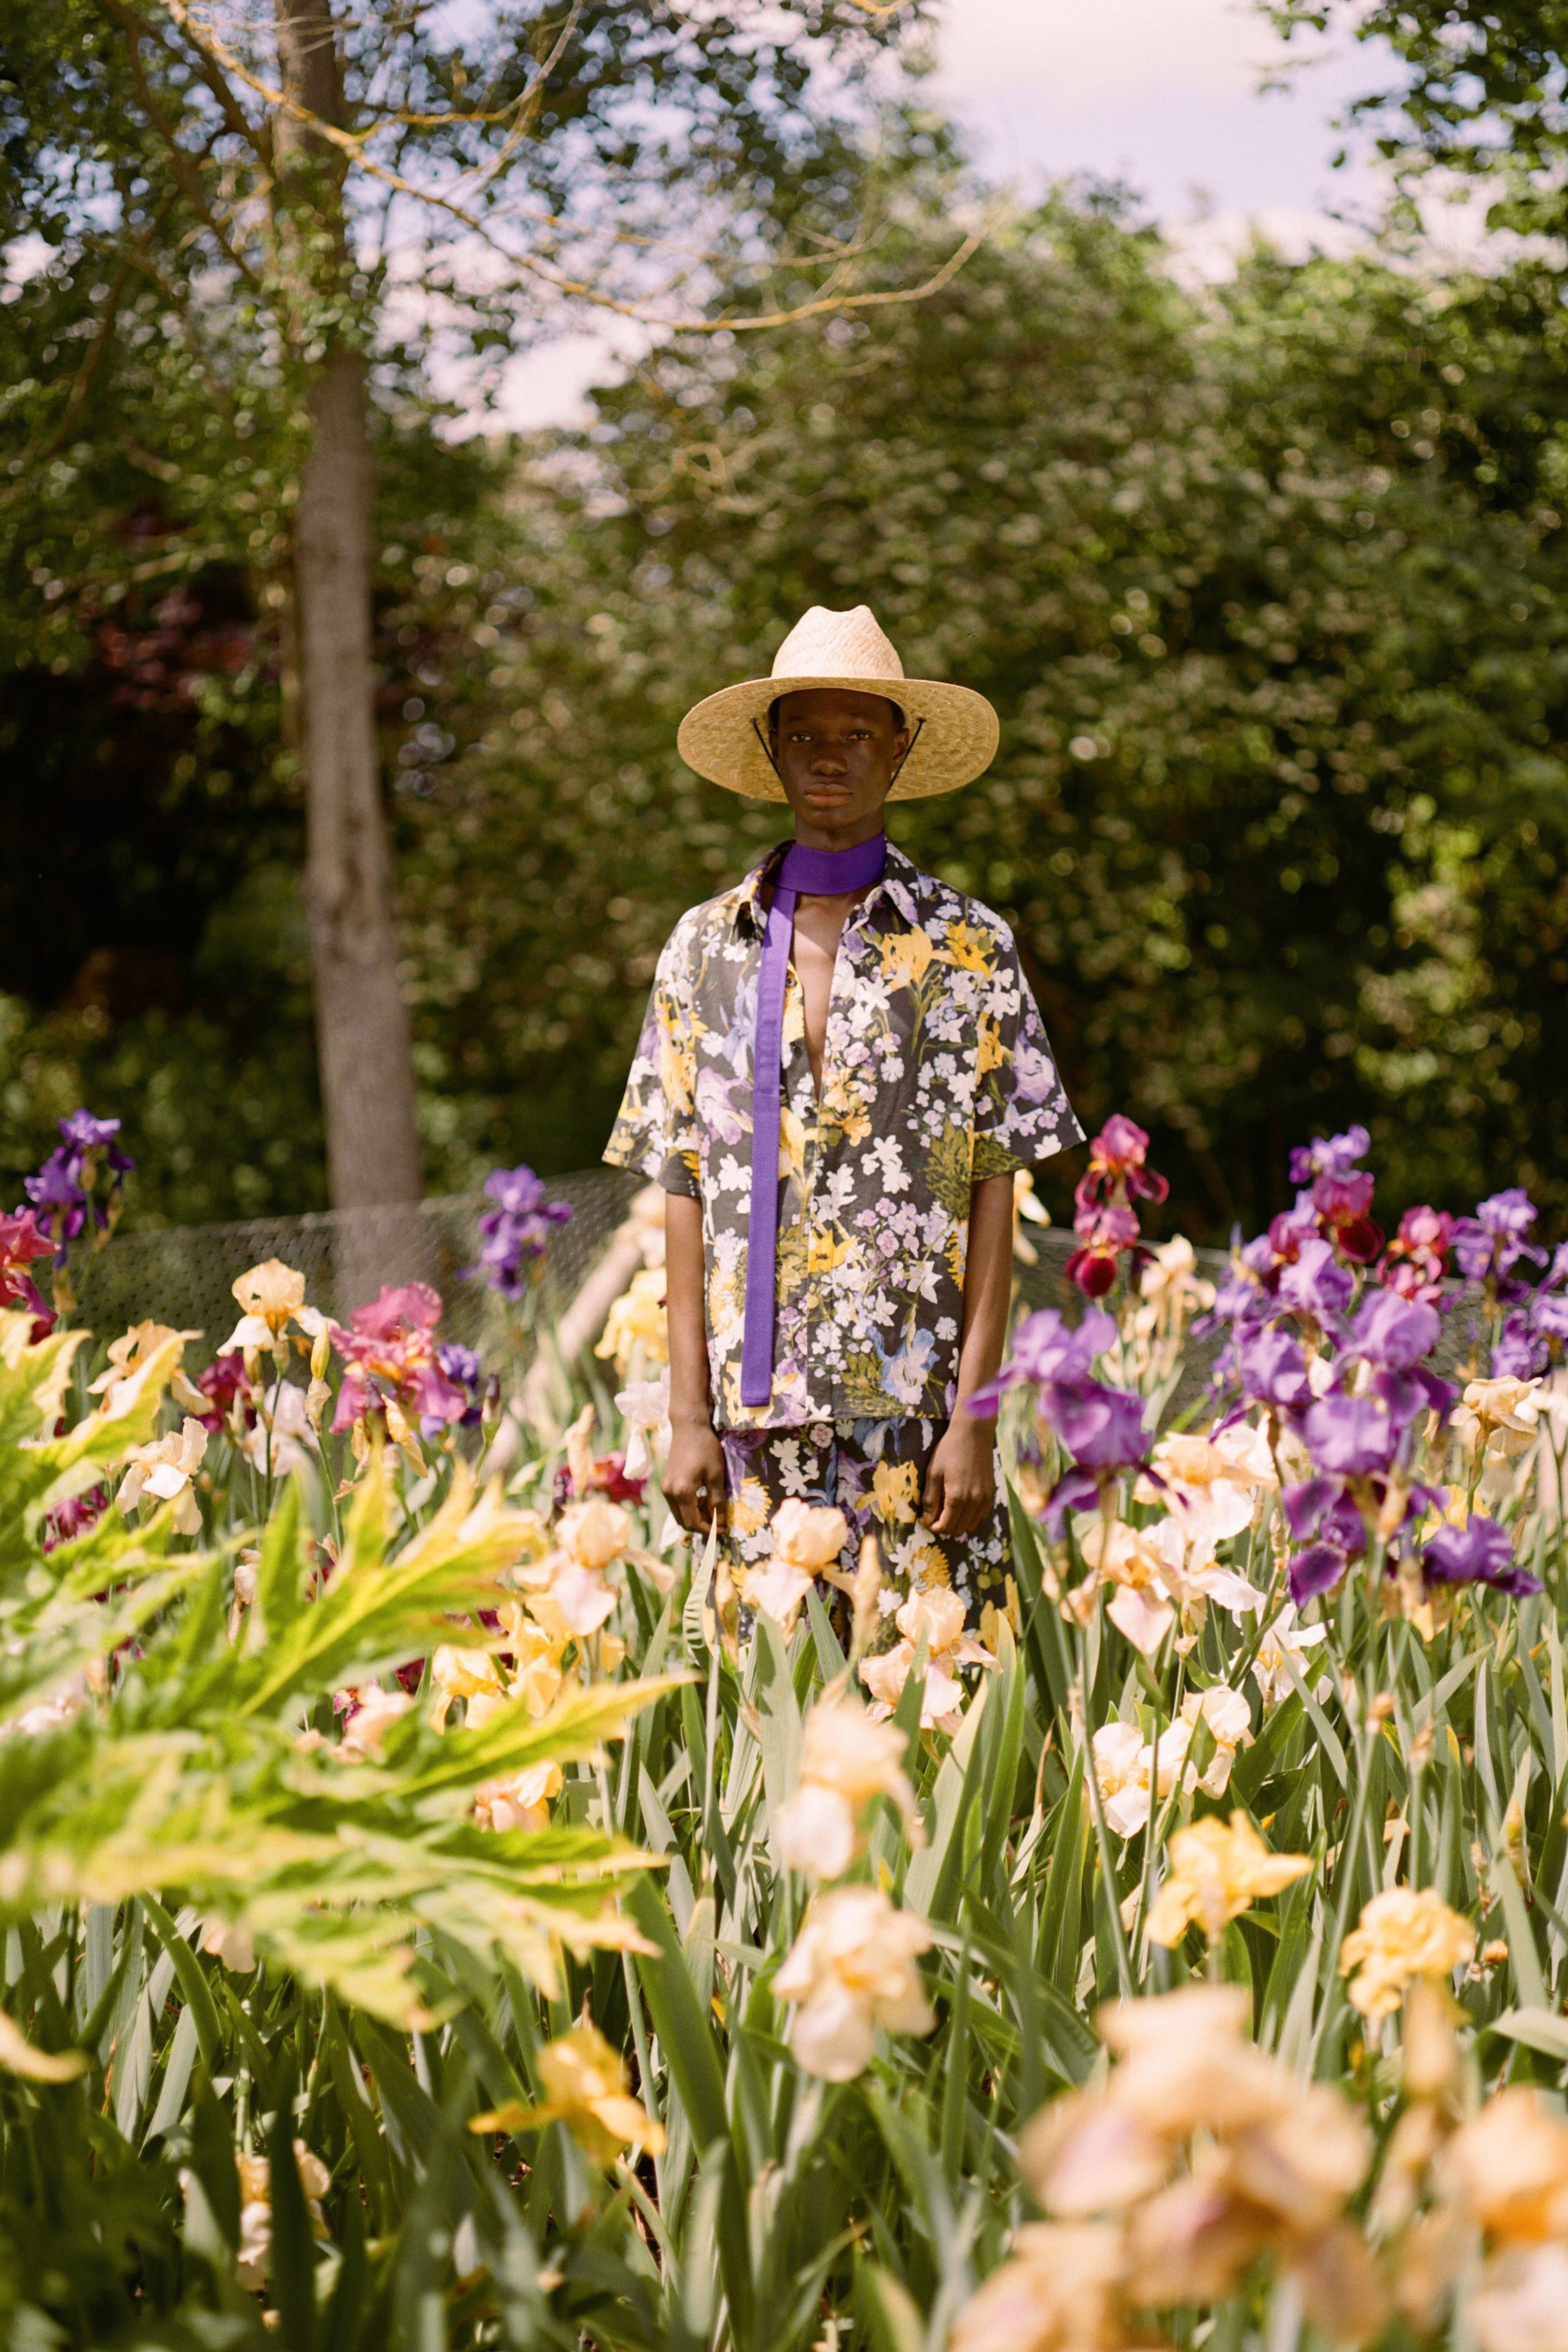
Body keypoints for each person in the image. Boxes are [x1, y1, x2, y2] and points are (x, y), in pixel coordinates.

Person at [603, 605, 1083, 1618]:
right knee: (770, 1700)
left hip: (917, 1422)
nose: (831, 756)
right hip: (751, 1424)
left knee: (931, 1691)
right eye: (807, 734)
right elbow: (682, 1189)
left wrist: (974, 1420)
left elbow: (994, 1194)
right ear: (772, 749)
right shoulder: (704, 948)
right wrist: (687, 1419)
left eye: (858, 733)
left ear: (899, 749)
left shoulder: (969, 948)